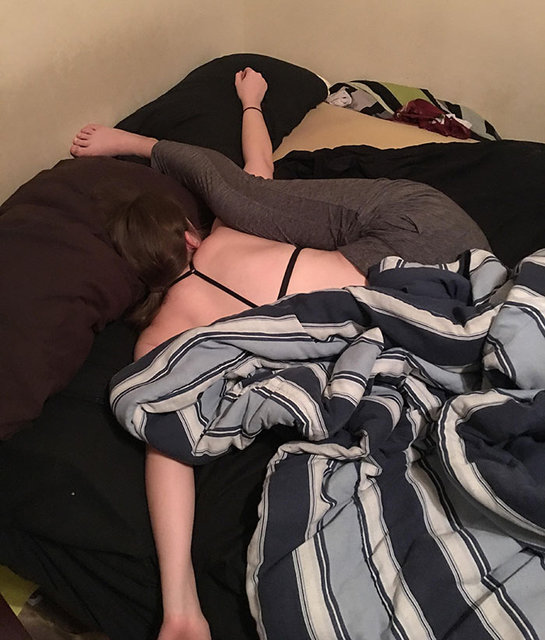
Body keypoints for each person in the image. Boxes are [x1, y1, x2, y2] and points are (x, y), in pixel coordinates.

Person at [70, 68, 489, 640]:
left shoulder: (162, 332)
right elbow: (254, 169)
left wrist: (179, 603)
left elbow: (167, 442)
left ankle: (184, 612)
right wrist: (252, 104)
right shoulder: (230, 231)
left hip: (372, 322)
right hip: (418, 268)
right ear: (188, 235)